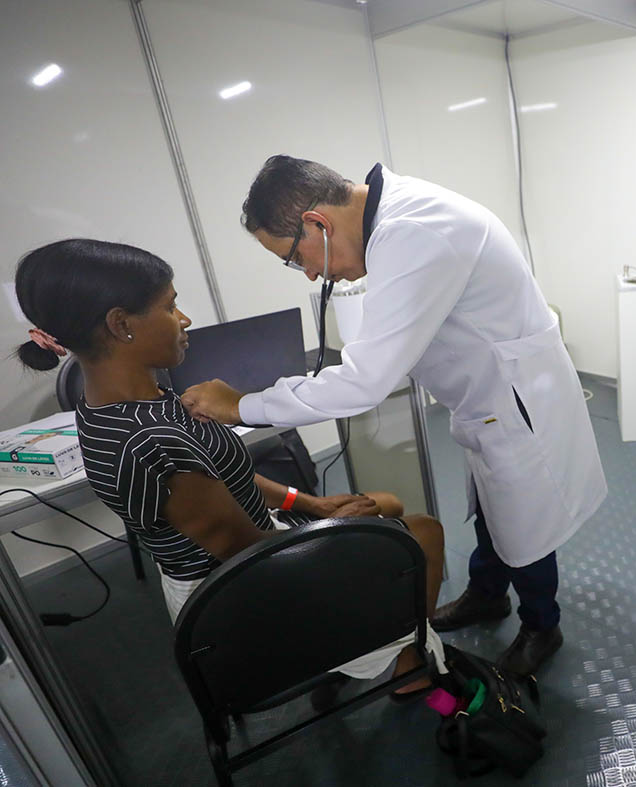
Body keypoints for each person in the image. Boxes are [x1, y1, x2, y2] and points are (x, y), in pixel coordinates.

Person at [181, 156, 607, 675]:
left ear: (317, 224)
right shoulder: (394, 220)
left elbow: (365, 382)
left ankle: (542, 625)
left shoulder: (413, 233)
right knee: (494, 507)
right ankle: (489, 594)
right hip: (487, 395)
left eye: (295, 259)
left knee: (523, 519)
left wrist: (241, 405)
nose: (311, 274)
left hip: (513, 399)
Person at [15, 238, 445, 695]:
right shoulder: (150, 440)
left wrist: (312, 504)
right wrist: (332, 529)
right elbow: (248, 552)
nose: (184, 320)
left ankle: (385, 645)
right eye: (170, 307)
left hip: (248, 551)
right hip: (236, 594)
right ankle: (409, 665)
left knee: (385, 504)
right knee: (422, 532)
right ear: (121, 324)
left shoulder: (121, 403)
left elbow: (225, 478)